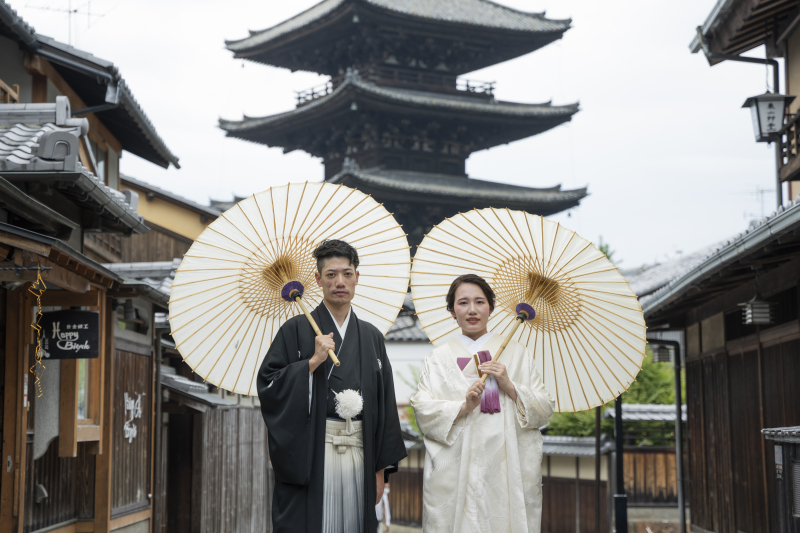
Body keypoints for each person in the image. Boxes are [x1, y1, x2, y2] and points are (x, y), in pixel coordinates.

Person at [257, 239, 407, 533]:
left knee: (353, 524)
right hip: (313, 453)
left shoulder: (372, 336)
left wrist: (379, 472)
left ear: (357, 277)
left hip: (360, 454)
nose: (340, 282)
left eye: (347, 273)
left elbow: (385, 406)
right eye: (331, 274)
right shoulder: (295, 330)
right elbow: (269, 386)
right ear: (317, 279)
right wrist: (312, 362)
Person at [410, 273, 555, 533]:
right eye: (463, 303)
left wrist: (509, 385)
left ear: (491, 307)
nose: (472, 310)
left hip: (506, 462)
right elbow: (422, 408)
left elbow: (544, 408)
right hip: (457, 466)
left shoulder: (516, 353)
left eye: (480, 302)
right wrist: (463, 406)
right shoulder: (437, 359)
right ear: (452, 310)